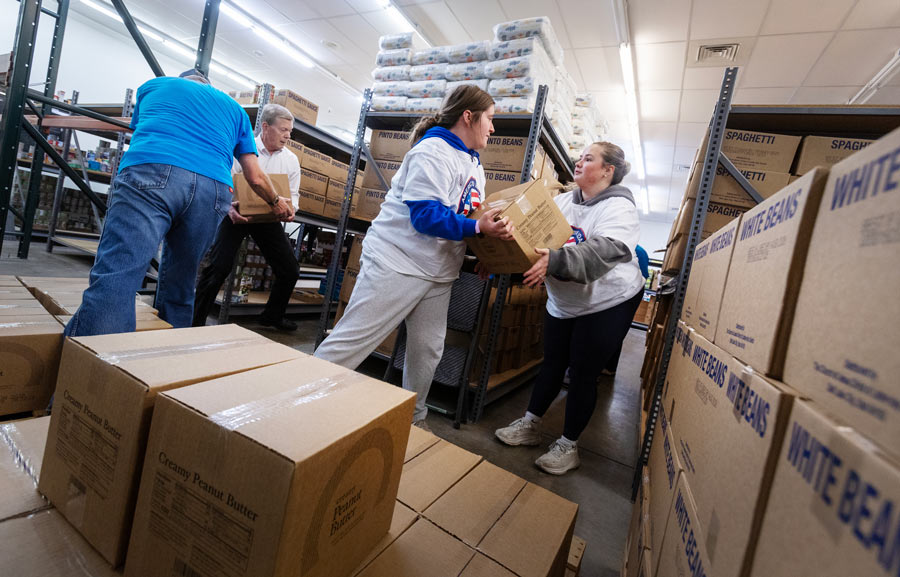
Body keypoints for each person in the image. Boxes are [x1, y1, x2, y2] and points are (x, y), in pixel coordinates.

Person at [315, 85, 514, 429]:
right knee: (353, 342)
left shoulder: (473, 163)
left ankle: (414, 420)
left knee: (428, 351)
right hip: (398, 262)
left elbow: (466, 216)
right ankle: (297, 400)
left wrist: (484, 251)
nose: (492, 129)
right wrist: (478, 230)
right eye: (490, 119)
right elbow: (426, 218)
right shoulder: (432, 152)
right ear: (469, 116)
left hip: (438, 272)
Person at [63, 69, 292, 337]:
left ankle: (96, 362)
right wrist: (276, 201)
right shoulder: (236, 110)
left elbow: (141, 130)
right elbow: (254, 176)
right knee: (181, 280)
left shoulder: (154, 87)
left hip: (153, 172)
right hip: (213, 190)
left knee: (121, 271)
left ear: (182, 81)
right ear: (210, 88)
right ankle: (170, 355)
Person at [494, 141, 644, 475]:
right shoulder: (561, 202)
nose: (579, 162)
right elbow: (528, 235)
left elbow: (604, 250)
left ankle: (568, 445)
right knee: (552, 363)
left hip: (608, 300)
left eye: (588, 158)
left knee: (582, 374)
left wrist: (555, 260)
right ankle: (530, 425)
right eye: (580, 157)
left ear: (608, 170)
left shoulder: (620, 208)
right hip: (565, 301)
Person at [193, 103, 301, 331]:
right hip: (235, 214)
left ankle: (272, 316)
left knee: (290, 269)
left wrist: (291, 211)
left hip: (268, 219)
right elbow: (223, 183)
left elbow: (294, 196)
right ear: (265, 127)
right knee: (218, 267)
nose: (288, 135)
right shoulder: (241, 148)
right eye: (283, 129)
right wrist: (228, 208)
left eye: (289, 130)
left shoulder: (291, 160)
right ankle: (195, 320)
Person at [601, 243, 650, 376]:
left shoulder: (627, 248)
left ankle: (603, 367)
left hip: (628, 291)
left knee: (612, 329)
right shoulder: (641, 250)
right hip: (635, 290)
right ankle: (610, 367)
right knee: (619, 329)